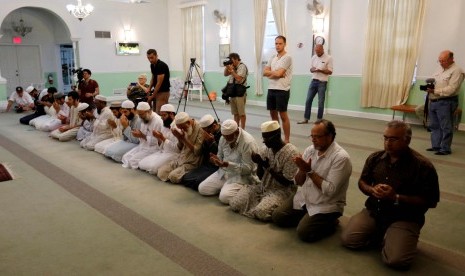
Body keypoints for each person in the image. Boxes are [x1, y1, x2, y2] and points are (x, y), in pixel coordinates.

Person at [341, 120, 440, 270]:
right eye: (385, 138)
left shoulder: (423, 166)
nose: (388, 143)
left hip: (405, 217)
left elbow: (430, 201)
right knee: (348, 240)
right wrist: (371, 190)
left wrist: (396, 198)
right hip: (375, 210)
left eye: (393, 139)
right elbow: (363, 181)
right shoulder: (375, 158)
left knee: (396, 261)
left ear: (407, 140)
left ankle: (396, 236)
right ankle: (385, 234)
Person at [272, 119, 352, 242]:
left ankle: (331, 221)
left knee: (304, 233)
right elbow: (298, 182)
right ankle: (308, 217)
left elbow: (330, 191)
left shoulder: (341, 158)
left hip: (326, 204)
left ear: (330, 136)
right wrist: (302, 169)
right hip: (305, 198)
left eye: (318, 137)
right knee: (278, 217)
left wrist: (309, 171)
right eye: (312, 136)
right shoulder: (311, 150)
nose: (313, 140)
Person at [230, 121, 299, 221]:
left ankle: (264, 206)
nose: (264, 141)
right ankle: (263, 203)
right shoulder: (265, 149)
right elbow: (260, 177)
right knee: (234, 203)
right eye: (263, 138)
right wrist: (259, 164)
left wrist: (268, 167)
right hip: (263, 187)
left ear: (277, 135)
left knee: (261, 212)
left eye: (267, 138)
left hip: (282, 191)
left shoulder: (291, 153)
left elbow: (287, 182)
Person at [198, 119, 258, 205]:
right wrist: (216, 160)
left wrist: (228, 164)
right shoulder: (223, 138)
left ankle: (242, 188)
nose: (225, 139)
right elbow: (220, 156)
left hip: (241, 176)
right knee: (203, 189)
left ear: (236, 132)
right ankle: (226, 187)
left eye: (228, 137)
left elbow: (248, 168)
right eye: (224, 136)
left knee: (224, 198)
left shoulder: (247, 142)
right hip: (224, 172)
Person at [426, 50, 464, 155]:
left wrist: (435, 91)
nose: (441, 63)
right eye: (440, 61)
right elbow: (434, 81)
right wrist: (429, 87)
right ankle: (436, 146)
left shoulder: (457, 70)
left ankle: (445, 148)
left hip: (446, 102)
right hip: (433, 100)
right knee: (434, 125)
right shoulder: (439, 68)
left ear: (451, 59)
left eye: (443, 61)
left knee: (445, 126)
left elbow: (452, 89)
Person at [157, 112, 204, 183]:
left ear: (188, 123)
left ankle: (187, 174)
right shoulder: (185, 127)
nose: (183, 130)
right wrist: (178, 138)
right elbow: (180, 147)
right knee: (161, 172)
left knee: (173, 176)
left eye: (183, 128)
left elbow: (197, 152)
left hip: (192, 162)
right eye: (180, 128)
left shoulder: (200, 129)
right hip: (181, 158)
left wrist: (183, 139)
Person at [263, 35, 293, 143]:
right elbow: (264, 72)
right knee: (273, 115)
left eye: (280, 43)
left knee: (283, 115)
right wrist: (275, 74)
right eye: (276, 43)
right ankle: (277, 137)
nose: (278, 45)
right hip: (271, 88)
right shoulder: (272, 57)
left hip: (282, 90)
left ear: (284, 44)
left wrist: (273, 73)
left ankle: (287, 140)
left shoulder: (287, 57)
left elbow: (279, 73)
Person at [182, 114, 222, 191]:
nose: (205, 133)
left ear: (214, 126)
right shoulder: (208, 134)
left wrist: (212, 142)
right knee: (186, 178)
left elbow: (221, 154)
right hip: (207, 165)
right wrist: (206, 142)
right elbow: (202, 152)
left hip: (217, 167)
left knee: (198, 182)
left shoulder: (223, 134)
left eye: (207, 130)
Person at [138, 104, 180, 175]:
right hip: (162, 152)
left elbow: (177, 149)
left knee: (153, 168)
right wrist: (158, 137)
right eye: (161, 115)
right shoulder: (165, 126)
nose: (162, 118)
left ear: (171, 114)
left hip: (173, 154)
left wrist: (162, 138)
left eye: (164, 115)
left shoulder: (177, 127)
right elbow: (161, 145)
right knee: (141, 163)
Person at [298, 44, 333, 124]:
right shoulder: (313, 57)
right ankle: (306, 118)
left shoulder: (329, 58)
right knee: (308, 100)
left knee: (320, 102)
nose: (317, 53)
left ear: (322, 49)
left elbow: (330, 71)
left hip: (322, 82)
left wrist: (320, 70)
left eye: (319, 51)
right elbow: (311, 69)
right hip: (313, 81)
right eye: (316, 51)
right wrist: (312, 69)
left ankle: (319, 119)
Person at [121, 102, 163, 169]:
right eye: (139, 115)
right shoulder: (144, 118)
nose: (140, 117)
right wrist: (138, 134)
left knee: (132, 161)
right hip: (143, 146)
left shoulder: (158, 121)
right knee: (125, 157)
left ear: (148, 111)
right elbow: (142, 135)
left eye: (141, 115)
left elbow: (159, 141)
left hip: (153, 148)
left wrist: (142, 136)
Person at [223, 53, 248, 129]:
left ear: (237, 59)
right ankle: (236, 128)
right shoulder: (232, 66)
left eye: (232, 60)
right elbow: (225, 74)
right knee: (235, 113)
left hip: (239, 92)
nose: (231, 61)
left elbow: (239, 79)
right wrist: (227, 67)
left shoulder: (242, 66)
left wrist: (232, 70)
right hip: (232, 91)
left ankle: (242, 129)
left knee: (241, 113)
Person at [146, 49, 170, 114]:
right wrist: (149, 88)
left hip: (163, 92)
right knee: (154, 113)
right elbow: (153, 78)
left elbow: (159, 83)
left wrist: (152, 96)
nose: (150, 60)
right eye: (148, 58)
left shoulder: (161, 65)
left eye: (152, 58)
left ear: (156, 56)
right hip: (157, 91)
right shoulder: (152, 65)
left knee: (160, 114)